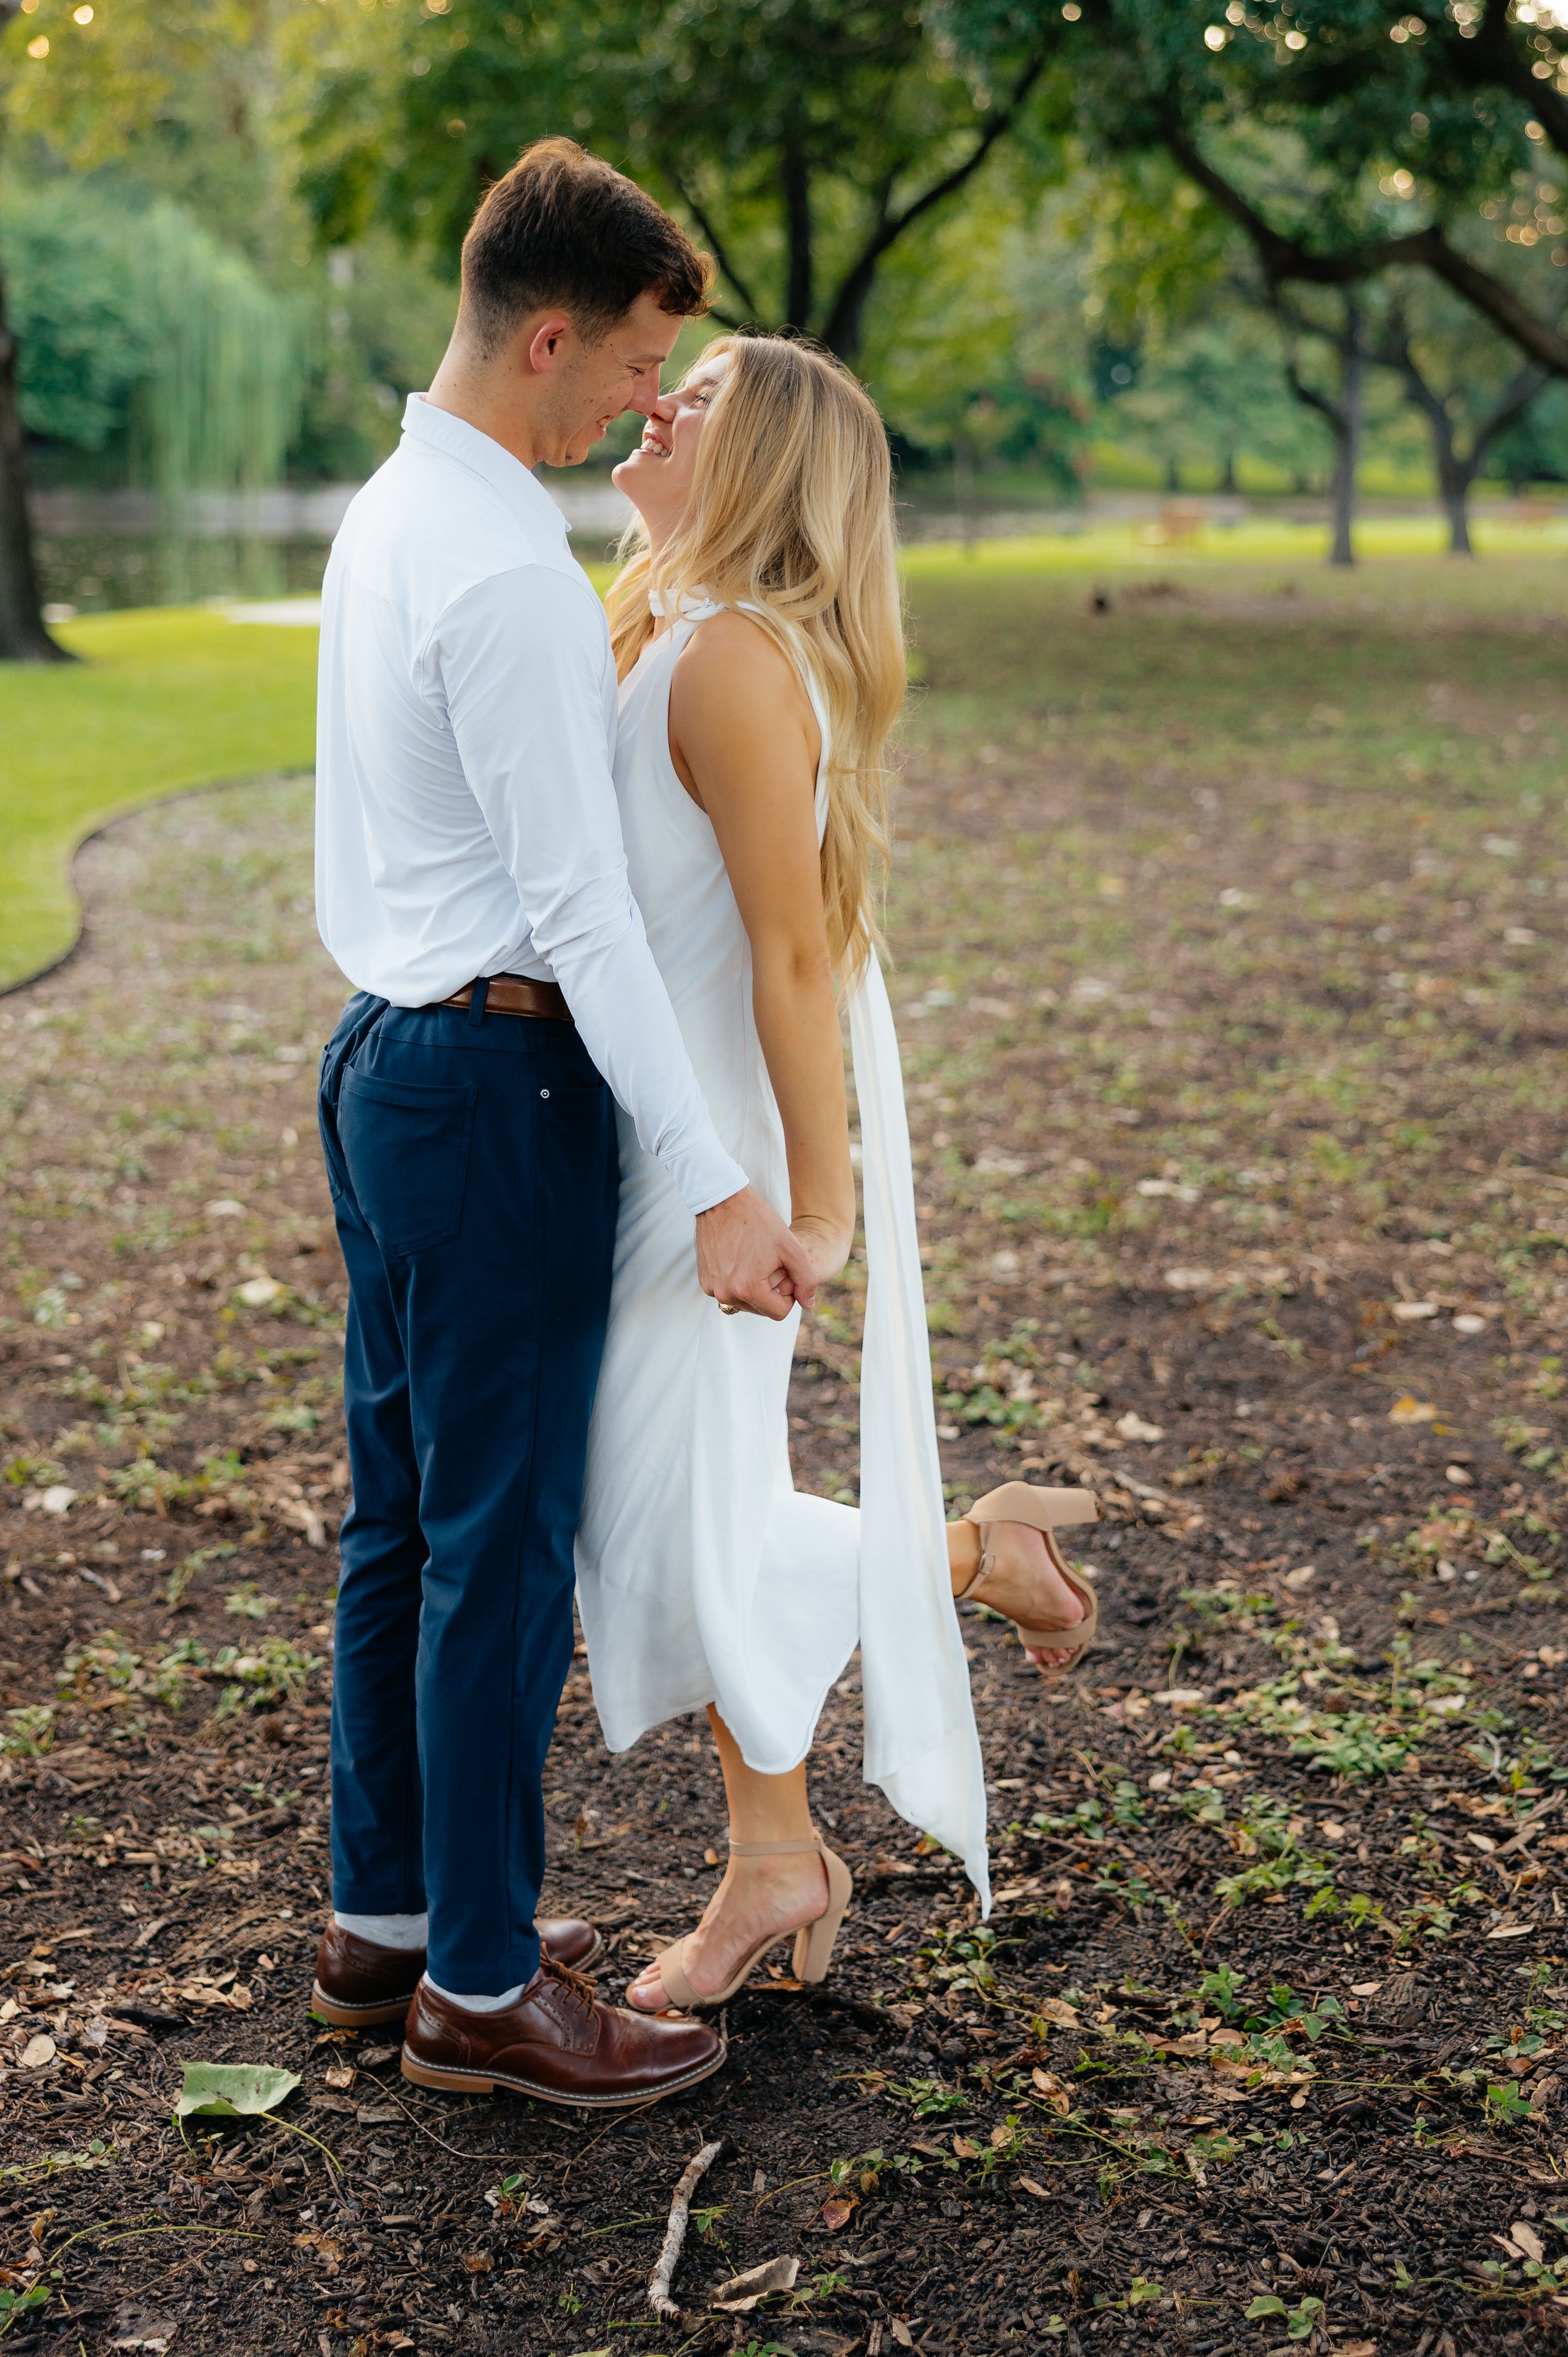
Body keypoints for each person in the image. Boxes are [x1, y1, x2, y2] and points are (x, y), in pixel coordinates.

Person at [308, 141, 820, 2109]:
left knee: (401, 1517)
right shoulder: (510, 571)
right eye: (630, 365)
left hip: (383, 1053)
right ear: (546, 334)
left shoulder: (391, 511)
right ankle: (488, 1985)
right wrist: (712, 1174)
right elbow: (584, 906)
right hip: (492, 1075)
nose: (644, 403)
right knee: (496, 1546)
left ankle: (390, 1916)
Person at [575, 334, 1102, 2015]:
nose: (664, 399)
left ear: (765, 468)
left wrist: (817, 1205)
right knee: (674, 1524)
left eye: (706, 394)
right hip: (639, 1136)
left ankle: (956, 1582)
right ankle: (777, 1845)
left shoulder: (730, 660)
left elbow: (793, 961)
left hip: (701, 1167)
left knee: (661, 1528)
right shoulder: (661, 621)